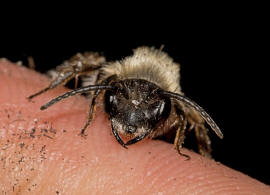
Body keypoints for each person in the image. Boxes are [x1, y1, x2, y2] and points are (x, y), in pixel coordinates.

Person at [0, 59, 269, 194]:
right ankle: (45, 87)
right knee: (88, 60)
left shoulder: (178, 108)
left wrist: (181, 148)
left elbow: (189, 119)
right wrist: (89, 118)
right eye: (120, 101)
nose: (132, 118)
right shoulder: (110, 76)